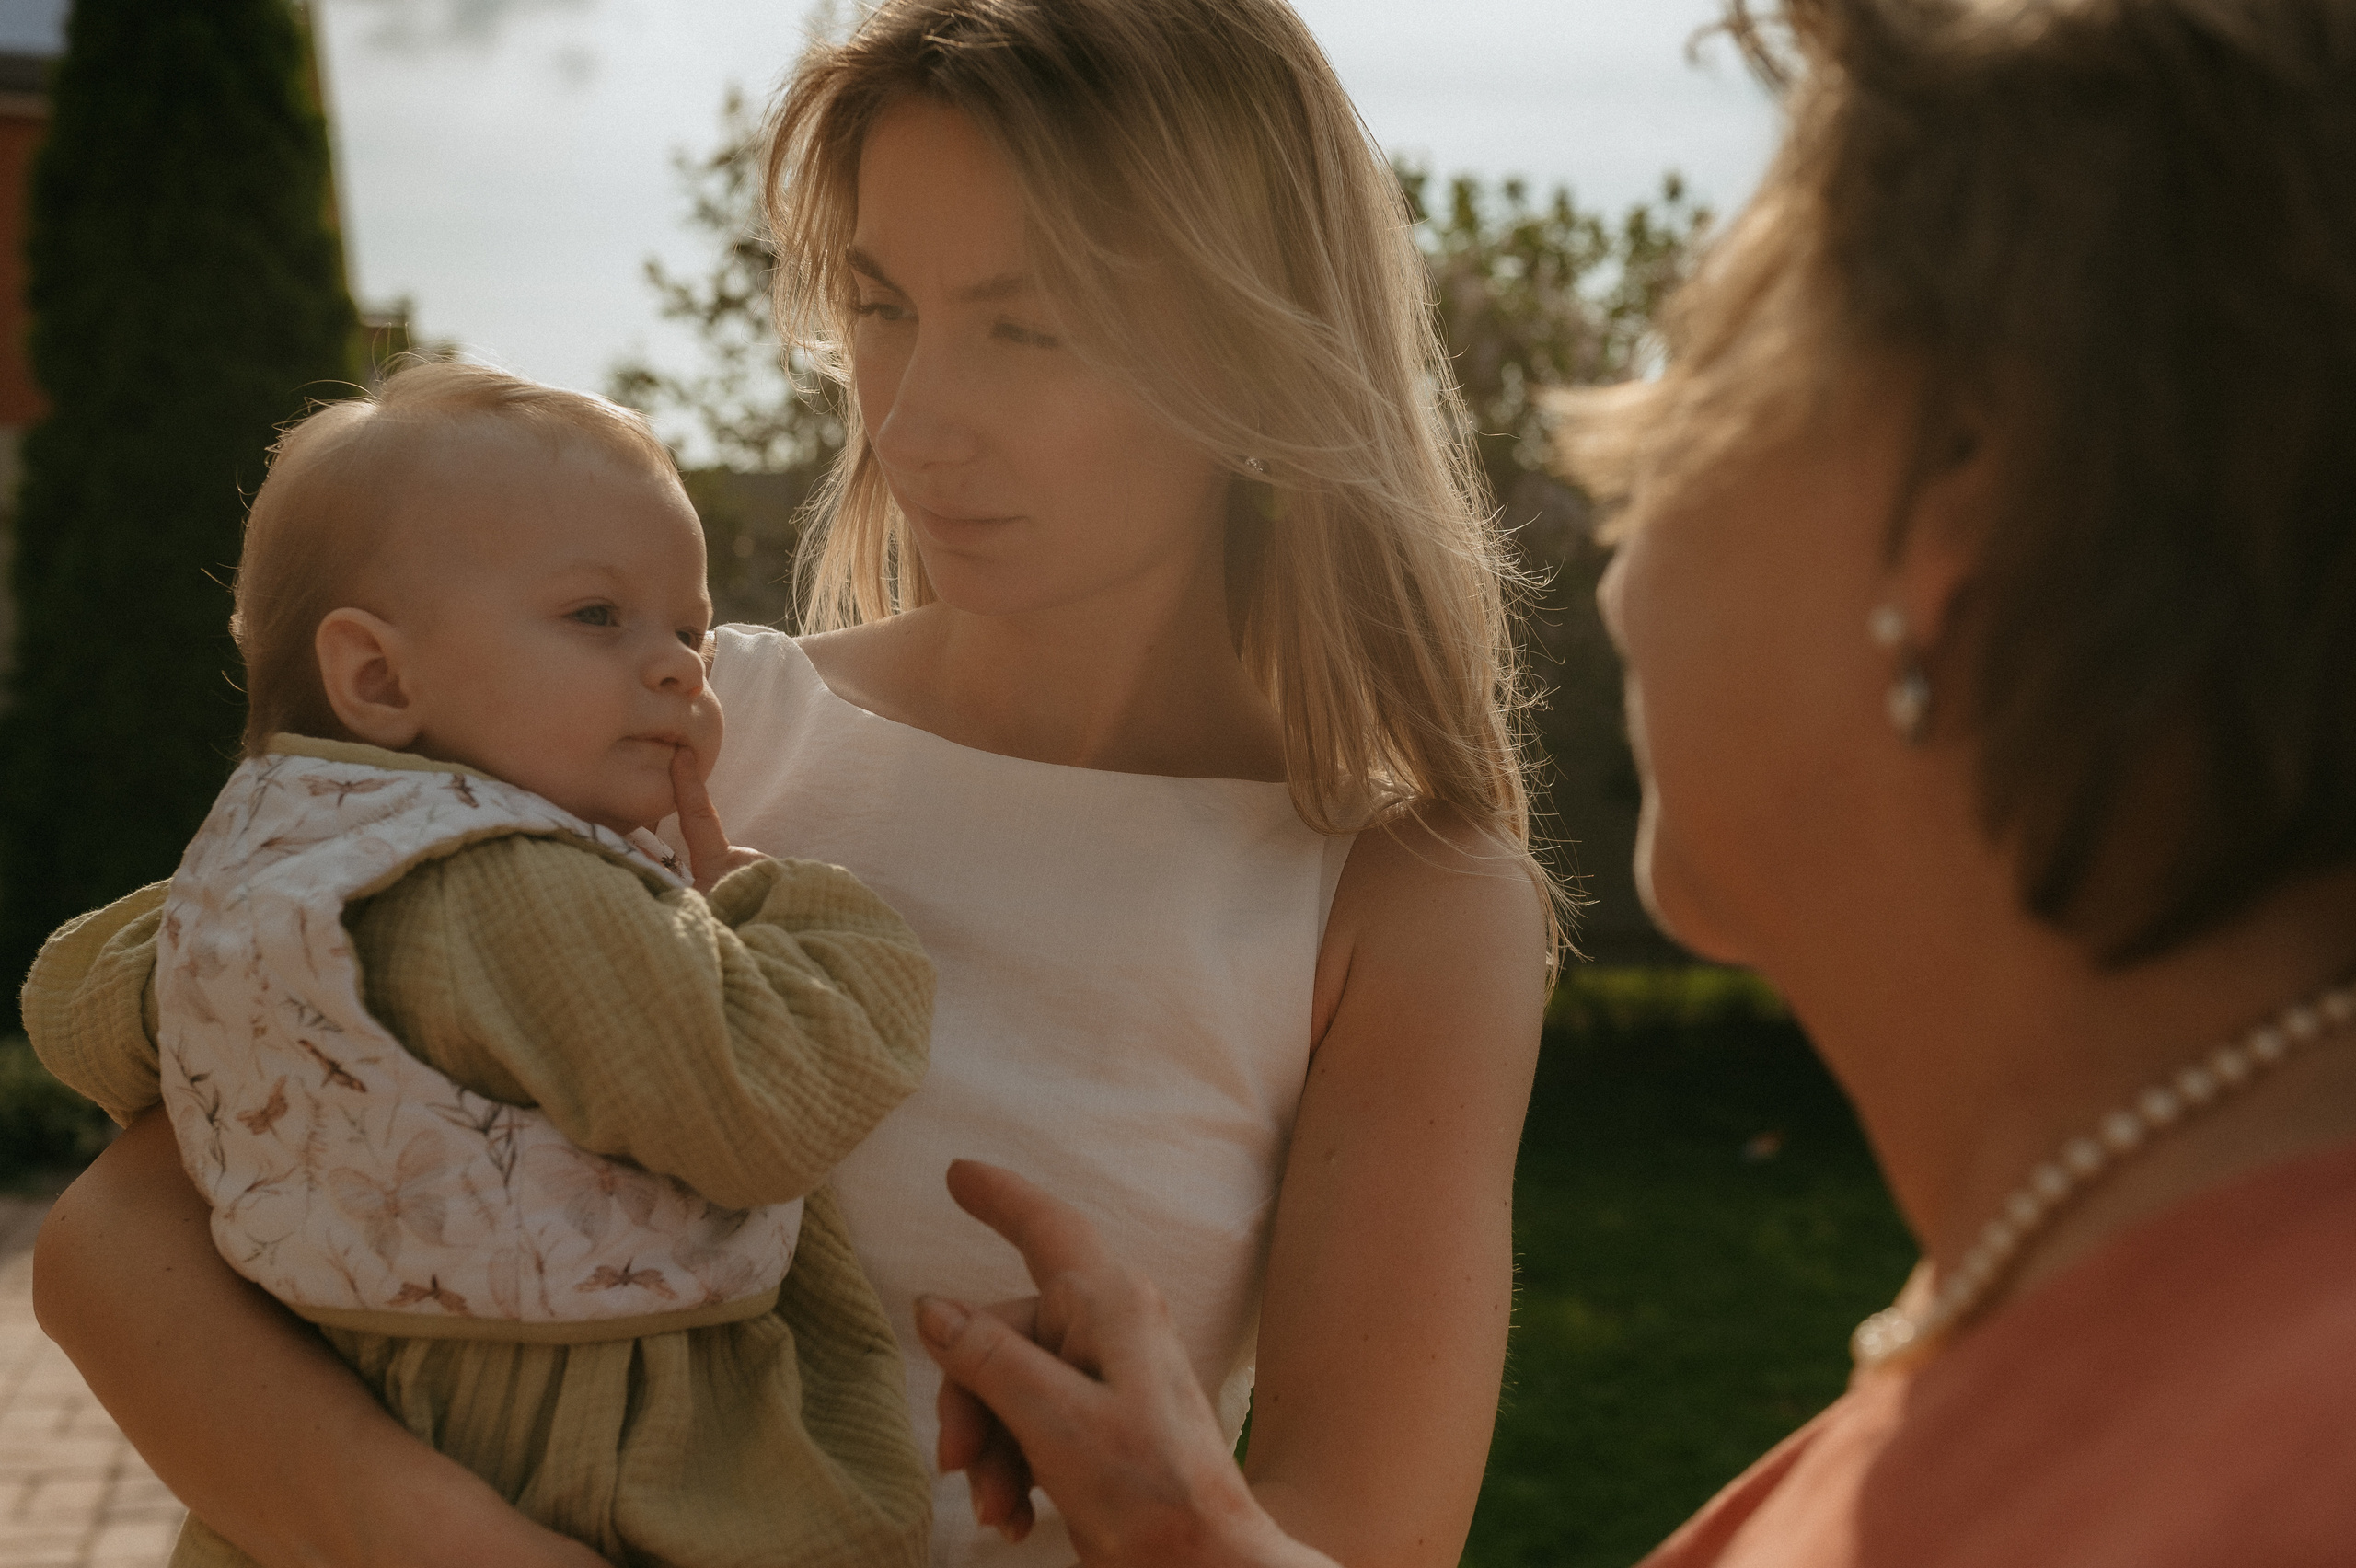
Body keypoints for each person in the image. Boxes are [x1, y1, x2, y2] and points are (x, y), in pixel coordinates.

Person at [27, 3, 1553, 1566]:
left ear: (1258, 339)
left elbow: (1359, 1539)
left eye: (1024, 328)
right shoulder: (670, 714)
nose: (911, 418)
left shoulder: (1406, 903)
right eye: (883, 308)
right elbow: (123, 1241)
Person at [907, 0, 2356, 1562]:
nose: (1618, 482)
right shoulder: (2130, 1339)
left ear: (1955, 505)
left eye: (1708, 368)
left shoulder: (2281, 1441)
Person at [28, 362, 937, 1567]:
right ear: (381, 679)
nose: (679, 667)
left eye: (690, 628)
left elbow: (79, 1005)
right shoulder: (517, 893)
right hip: (597, 1484)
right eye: (596, 617)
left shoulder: (266, 881)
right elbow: (767, 1100)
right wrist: (802, 920)